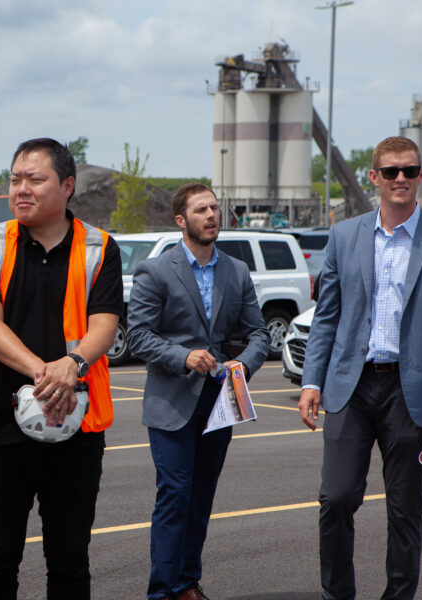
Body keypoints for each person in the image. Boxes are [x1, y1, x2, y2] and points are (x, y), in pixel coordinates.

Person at [299, 136, 422, 600]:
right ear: (373, 176)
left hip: (409, 395)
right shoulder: (344, 236)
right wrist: (312, 379)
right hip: (349, 388)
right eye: (391, 171)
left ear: (420, 177)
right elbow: (327, 316)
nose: (401, 179)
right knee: (335, 499)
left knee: (405, 510)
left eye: (410, 171)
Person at [0, 138, 123, 599]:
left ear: (67, 186)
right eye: (15, 180)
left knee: (70, 558)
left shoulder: (100, 247)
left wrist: (75, 363)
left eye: (35, 179)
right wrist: (50, 372)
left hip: (77, 427)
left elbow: (104, 325)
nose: (20, 189)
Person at [127, 182, 269, 600]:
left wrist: (244, 362)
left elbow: (259, 333)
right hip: (171, 401)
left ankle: (187, 581)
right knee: (175, 493)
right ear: (181, 220)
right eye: (201, 209)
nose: (211, 215)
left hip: (220, 401)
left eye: (214, 208)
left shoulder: (236, 270)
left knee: (201, 495)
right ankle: (163, 590)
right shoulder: (157, 270)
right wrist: (183, 357)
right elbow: (137, 336)